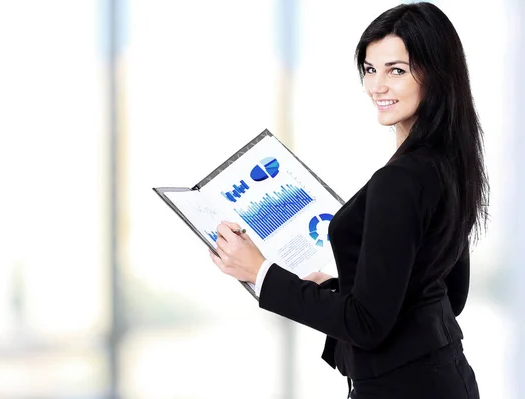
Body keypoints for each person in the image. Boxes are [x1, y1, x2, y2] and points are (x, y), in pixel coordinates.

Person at [208, 2, 488, 398]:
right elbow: (445, 293)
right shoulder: (448, 163)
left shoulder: (402, 179)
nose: (377, 86)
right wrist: (341, 287)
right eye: (371, 70)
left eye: (397, 70)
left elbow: (365, 325)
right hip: (445, 378)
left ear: (437, 74)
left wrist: (260, 272)